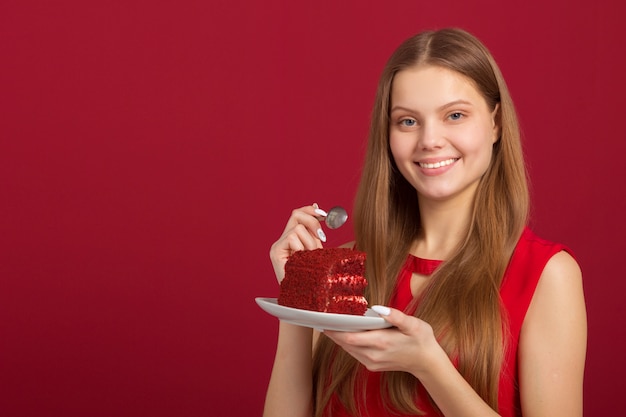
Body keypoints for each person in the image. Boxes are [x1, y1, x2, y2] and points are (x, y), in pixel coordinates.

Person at [263, 28, 587, 417]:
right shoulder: (344, 271)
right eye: (407, 122)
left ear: (496, 122)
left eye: (455, 115)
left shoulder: (546, 276)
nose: (430, 140)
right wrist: (298, 298)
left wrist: (431, 367)